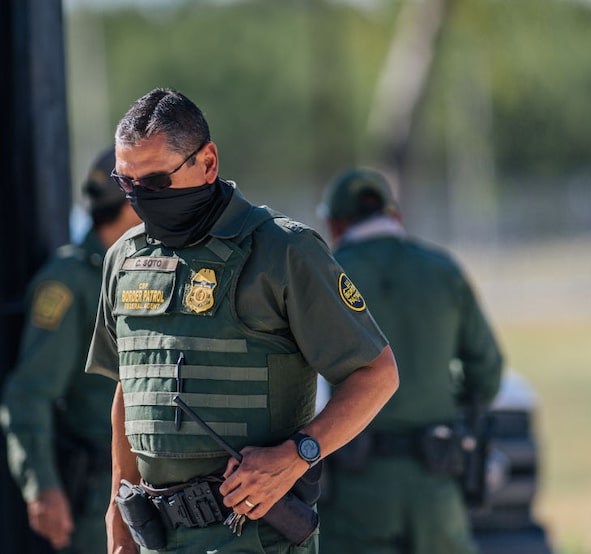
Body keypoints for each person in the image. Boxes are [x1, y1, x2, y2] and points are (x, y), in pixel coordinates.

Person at [84, 88, 398, 554]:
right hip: (156, 536)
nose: (138, 199)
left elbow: (377, 374)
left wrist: (298, 455)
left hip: (253, 537)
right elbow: (130, 387)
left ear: (207, 162)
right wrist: (118, 505)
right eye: (126, 183)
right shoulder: (124, 258)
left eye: (154, 183)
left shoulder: (283, 251)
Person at [316, 168, 504, 554]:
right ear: (395, 216)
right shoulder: (444, 270)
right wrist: (437, 397)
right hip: (436, 482)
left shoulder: (323, 273)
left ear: (335, 224)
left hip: (355, 490)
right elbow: (488, 373)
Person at [0, 147, 142, 553]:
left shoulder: (145, 268)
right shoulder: (69, 282)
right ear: (132, 207)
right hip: (100, 493)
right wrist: (42, 486)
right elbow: (29, 392)